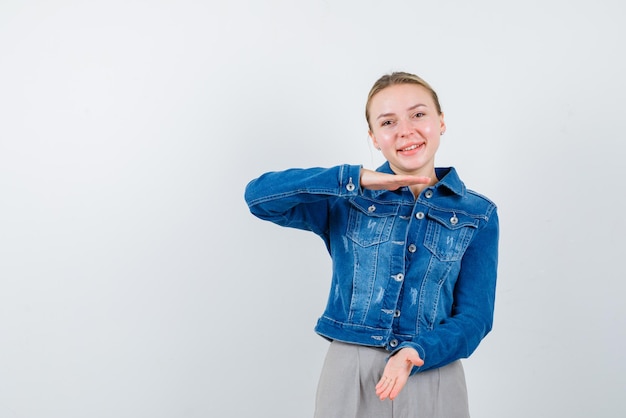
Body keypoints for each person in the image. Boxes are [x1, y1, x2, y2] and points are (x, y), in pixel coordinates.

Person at [244, 71, 499, 418]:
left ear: (441, 122)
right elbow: (259, 197)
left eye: (419, 114)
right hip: (350, 371)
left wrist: (417, 351)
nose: (405, 129)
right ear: (374, 138)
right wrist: (354, 179)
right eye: (388, 122)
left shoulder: (478, 213)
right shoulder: (347, 201)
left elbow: (475, 317)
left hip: (431, 366)